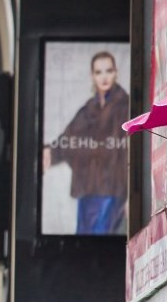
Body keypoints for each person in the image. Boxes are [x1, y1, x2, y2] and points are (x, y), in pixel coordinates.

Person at [42, 51, 130, 235]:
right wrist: (49, 152)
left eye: (108, 70)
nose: (104, 77)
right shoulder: (88, 108)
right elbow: (68, 139)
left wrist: (133, 196)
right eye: (98, 72)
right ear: (92, 76)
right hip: (87, 190)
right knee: (84, 239)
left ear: (116, 72)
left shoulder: (125, 107)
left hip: (112, 188)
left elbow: (133, 153)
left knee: (100, 238)